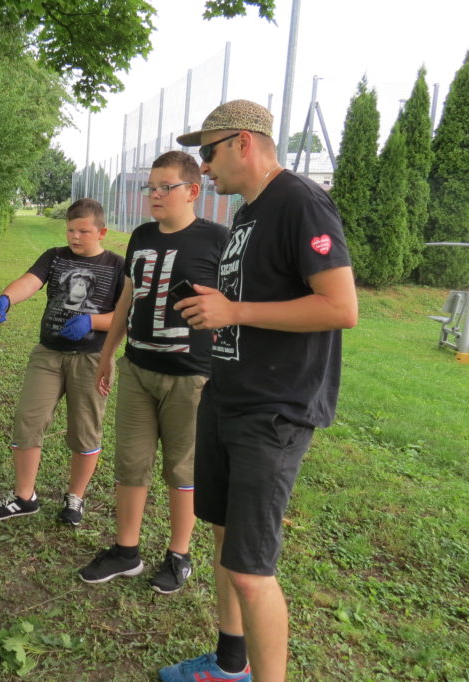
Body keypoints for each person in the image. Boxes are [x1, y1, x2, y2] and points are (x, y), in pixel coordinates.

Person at [160, 100, 358, 682]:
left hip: (273, 412)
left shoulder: (300, 201)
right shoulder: (248, 213)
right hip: (228, 395)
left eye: (209, 152)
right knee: (225, 540)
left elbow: (341, 307)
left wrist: (235, 310)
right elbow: (255, 299)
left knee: (250, 570)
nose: (203, 167)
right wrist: (217, 307)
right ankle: (229, 664)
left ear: (243, 143)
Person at [78, 151, 228, 594]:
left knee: (182, 468)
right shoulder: (141, 236)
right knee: (131, 462)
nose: (155, 195)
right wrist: (108, 353)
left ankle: (179, 555)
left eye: (166, 187)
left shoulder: (217, 239)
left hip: (190, 376)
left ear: (193, 191)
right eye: (151, 187)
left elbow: (232, 305)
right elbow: (127, 297)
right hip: (138, 370)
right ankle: (126, 551)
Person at [0, 198, 125, 526]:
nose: (75, 237)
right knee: (28, 420)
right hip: (48, 354)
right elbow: (30, 280)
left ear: (101, 232)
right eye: (71, 230)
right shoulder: (55, 256)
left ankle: (75, 498)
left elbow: (126, 317)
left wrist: (92, 321)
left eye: (83, 231)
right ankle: (24, 497)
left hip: (91, 359)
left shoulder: (117, 265)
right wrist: (7, 297)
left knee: (85, 430)